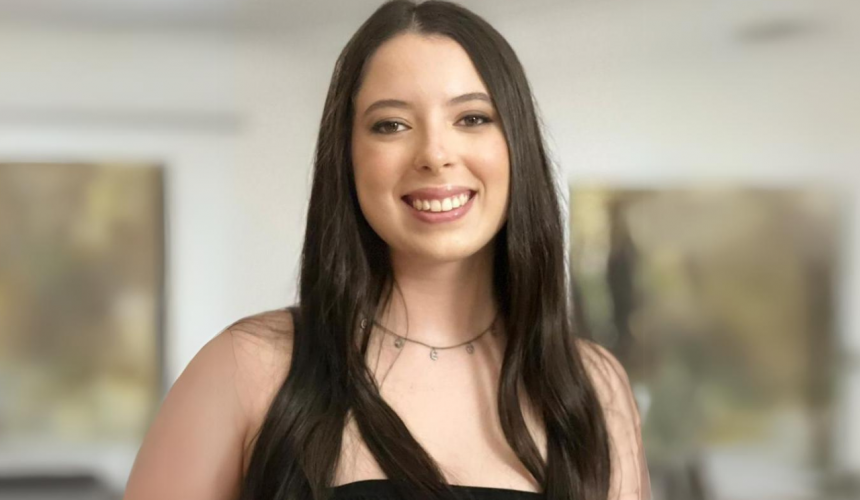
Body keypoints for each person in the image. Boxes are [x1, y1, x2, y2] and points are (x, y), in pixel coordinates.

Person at [123, 1, 650, 499]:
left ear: (518, 145)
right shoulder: (248, 367)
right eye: (391, 125)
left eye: (472, 118)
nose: (435, 154)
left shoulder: (591, 386)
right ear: (347, 158)